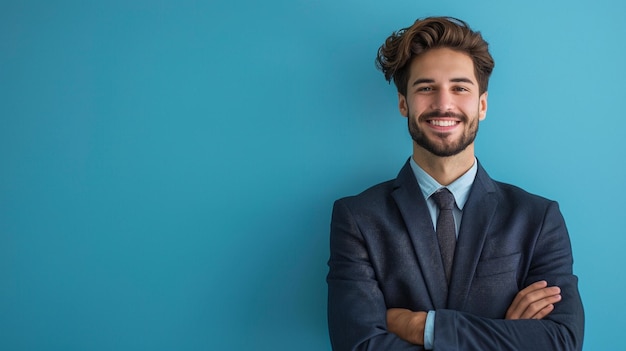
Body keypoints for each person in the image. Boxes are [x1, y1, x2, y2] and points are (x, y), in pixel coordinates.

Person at [326, 17, 584, 350]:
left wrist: (424, 326)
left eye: (460, 87)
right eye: (426, 88)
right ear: (404, 103)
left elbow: (562, 341)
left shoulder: (538, 218)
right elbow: (358, 345)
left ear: (482, 104)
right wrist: (506, 335)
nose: (443, 104)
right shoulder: (357, 218)